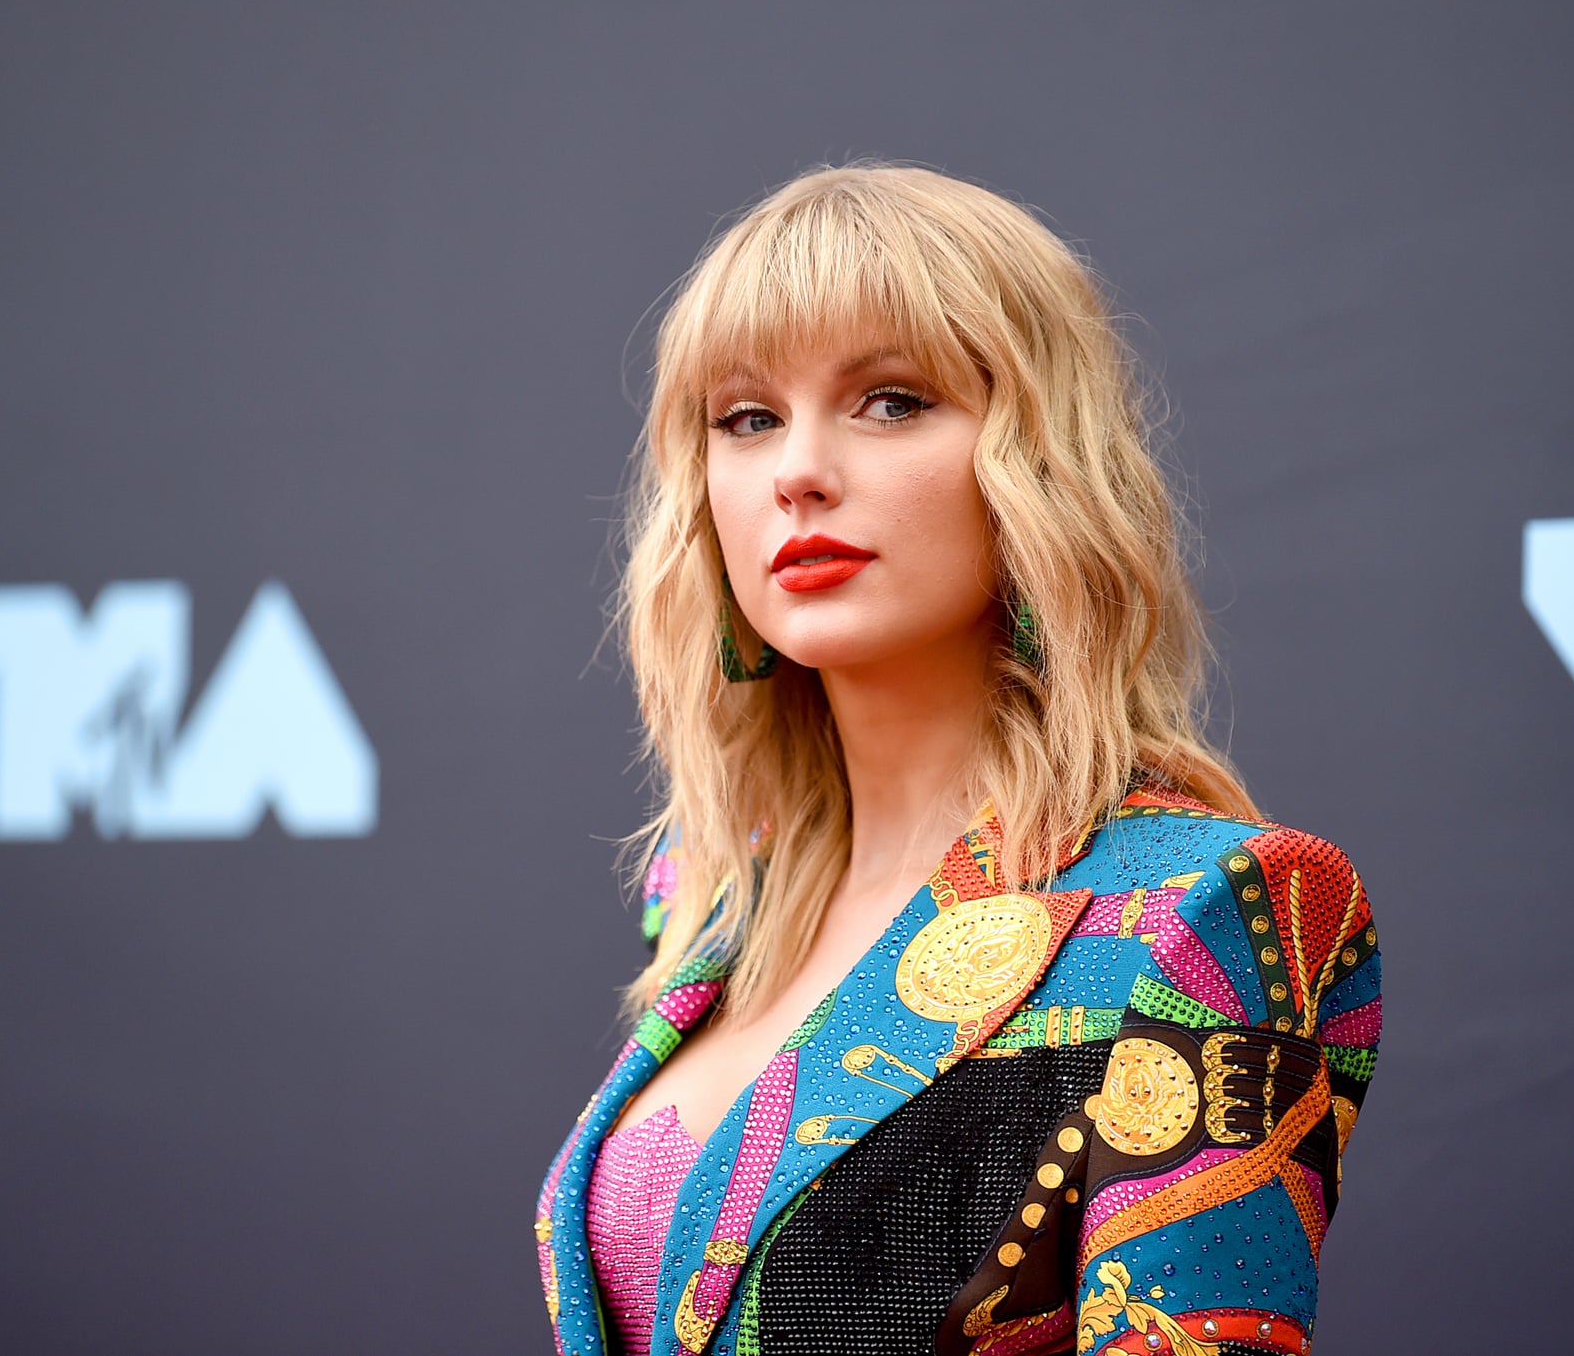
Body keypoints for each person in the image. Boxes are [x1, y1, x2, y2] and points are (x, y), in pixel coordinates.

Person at [535, 160, 1382, 1356]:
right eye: (746, 418)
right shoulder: (711, 896)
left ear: (1038, 458)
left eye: (890, 400)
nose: (797, 471)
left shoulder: (1209, 913)